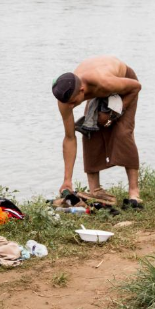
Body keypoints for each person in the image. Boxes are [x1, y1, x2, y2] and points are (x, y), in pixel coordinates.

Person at [52, 56, 143, 209]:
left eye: (74, 103)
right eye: (69, 104)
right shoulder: (65, 100)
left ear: (82, 91)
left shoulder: (104, 82)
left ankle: (134, 192)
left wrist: (113, 115)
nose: (71, 106)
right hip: (97, 89)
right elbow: (69, 138)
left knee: (123, 133)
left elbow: (136, 87)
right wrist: (67, 179)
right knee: (89, 131)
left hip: (125, 85)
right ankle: (95, 190)